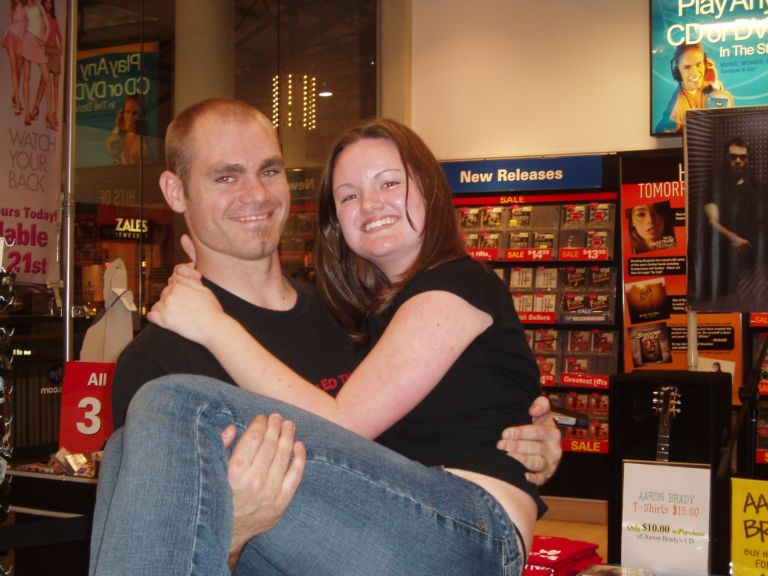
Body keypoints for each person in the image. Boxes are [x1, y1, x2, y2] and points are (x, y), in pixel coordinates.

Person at [90, 99, 561, 575]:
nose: (256, 194)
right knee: (129, 444)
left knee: (170, 403)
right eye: (227, 176)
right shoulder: (156, 358)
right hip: (382, 545)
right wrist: (234, 530)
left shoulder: (351, 318)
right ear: (175, 191)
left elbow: (359, 430)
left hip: (443, 536)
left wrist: (527, 441)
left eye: (269, 171)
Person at [703, 137, 767, 303]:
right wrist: (733, 238)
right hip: (728, 258)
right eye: (733, 157)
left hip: (757, 263)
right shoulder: (714, 186)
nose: (738, 161)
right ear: (726, 157)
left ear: (747, 159)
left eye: (742, 157)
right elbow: (712, 221)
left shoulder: (757, 185)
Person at [655, 43, 732, 134]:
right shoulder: (677, 108)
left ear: (705, 65)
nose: (695, 73)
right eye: (687, 67)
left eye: (698, 64)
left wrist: (714, 83)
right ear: (678, 72)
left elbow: (722, 119)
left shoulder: (706, 84)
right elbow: (661, 131)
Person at [19, 0, 50, 127]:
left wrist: (44, 40)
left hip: (37, 42)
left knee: (47, 78)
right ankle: (27, 113)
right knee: (26, 76)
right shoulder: (24, 9)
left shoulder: (39, 7)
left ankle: (49, 113)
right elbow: (22, 28)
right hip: (27, 39)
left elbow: (47, 26)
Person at [3, 0, 26, 117]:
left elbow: (25, 26)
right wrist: (4, 36)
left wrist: (21, 43)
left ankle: (14, 95)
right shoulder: (13, 7)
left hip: (21, 40)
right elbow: (10, 24)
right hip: (11, 37)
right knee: (14, 68)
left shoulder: (26, 7)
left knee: (19, 68)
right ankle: (17, 102)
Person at [105, 94, 143, 165]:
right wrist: (118, 130)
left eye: (134, 113)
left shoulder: (143, 139)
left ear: (140, 115)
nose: (130, 117)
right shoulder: (120, 136)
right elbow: (111, 151)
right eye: (127, 112)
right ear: (123, 113)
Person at [41, 0, 61, 130]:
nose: (49, 5)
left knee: (56, 83)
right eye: (47, 3)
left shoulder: (54, 20)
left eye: (50, 3)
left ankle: (54, 114)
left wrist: (61, 48)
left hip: (54, 50)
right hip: (46, 50)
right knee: (46, 82)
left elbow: (59, 35)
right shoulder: (42, 18)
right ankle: (49, 115)